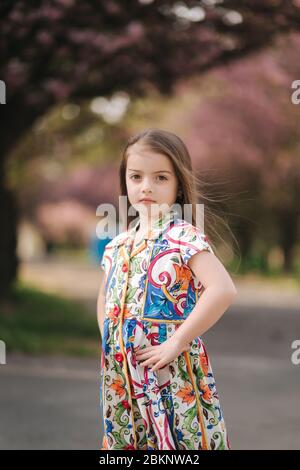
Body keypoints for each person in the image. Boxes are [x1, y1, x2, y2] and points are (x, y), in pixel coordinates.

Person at [97, 128, 237, 450]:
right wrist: (111, 341)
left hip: (170, 369)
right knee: (127, 442)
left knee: (178, 444)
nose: (146, 186)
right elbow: (104, 297)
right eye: (136, 177)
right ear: (126, 182)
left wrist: (176, 342)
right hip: (123, 373)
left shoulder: (183, 236)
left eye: (160, 178)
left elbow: (222, 289)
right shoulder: (118, 244)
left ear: (178, 185)